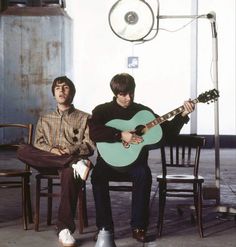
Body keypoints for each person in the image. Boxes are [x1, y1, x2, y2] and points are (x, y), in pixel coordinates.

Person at [88, 73, 195, 243]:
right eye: (123, 94)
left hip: (135, 164)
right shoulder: (102, 110)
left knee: (144, 175)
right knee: (97, 176)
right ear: (115, 93)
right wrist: (120, 135)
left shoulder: (143, 112)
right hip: (108, 162)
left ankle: (139, 227)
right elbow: (94, 132)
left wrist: (182, 115)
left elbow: (167, 133)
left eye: (131, 93)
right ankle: (104, 227)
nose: (128, 98)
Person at [17, 76, 95, 247]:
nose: (61, 90)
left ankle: (64, 229)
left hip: (70, 167)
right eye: (58, 88)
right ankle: (71, 162)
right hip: (48, 162)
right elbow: (38, 143)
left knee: (68, 174)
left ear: (72, 92)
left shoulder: (84, 118)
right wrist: (53, 151)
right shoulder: (44, 119)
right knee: (22, 149)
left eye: (65, 87)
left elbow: (89, 145)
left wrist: (70, 150)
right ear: (53, 93)